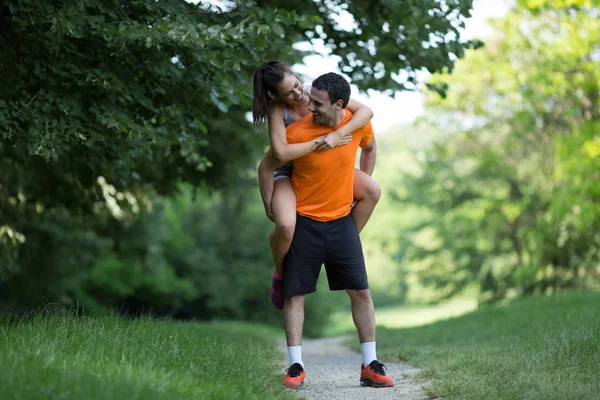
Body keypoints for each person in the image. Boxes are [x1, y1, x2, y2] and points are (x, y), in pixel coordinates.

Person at [280, 72, 393, 389]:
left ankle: (370, 364)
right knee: (295, 294)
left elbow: (370, 148)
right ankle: (295, 367)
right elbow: (277, 166)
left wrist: (360, 182)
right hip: (305, 221)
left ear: (339, 104)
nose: (309, 107)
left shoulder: (357, 124)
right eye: (310, 100)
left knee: (361, 292)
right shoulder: (296, 132)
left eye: (317, 103)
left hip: (342, 220)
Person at [252, 61, 382, 310]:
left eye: (297, 85)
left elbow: (365, 112)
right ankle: (281, 275)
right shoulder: (278, 111)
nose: (299, 94)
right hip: (288, 172)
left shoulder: (318, 92)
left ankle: (340, 246)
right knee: (286, 224)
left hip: (323, 168)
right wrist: (320, 142)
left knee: (372, 190)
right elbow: (279, 153)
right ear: (275, 96)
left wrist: (335, 136)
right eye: (289, 93)